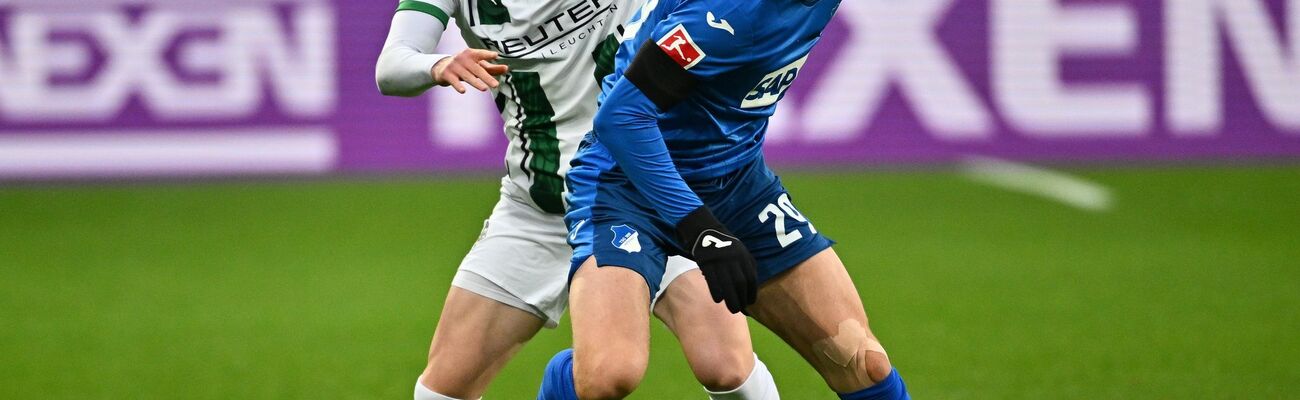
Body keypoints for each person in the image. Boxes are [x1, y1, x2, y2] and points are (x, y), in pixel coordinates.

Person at [374, 1, 779, 399]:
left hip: (641, 196)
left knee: (729, 369)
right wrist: (437, 65)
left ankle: (564, 388)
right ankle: (565, 386)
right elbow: (391, 67)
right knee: (442, 391)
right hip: (538, 210)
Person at [539, 0, 911, 399]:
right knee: (608, 375)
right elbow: (622, 118)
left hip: (738, 184)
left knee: (863, 364)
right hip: (627, 186)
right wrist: (701, 229)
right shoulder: (726, 13)